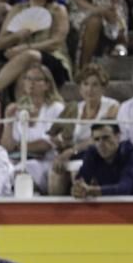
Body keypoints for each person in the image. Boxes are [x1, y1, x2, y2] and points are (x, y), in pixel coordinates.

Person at [0, 0, 71, 98]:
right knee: (24, 75)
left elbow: (56, 42)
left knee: (30, 55)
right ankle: (23, 113)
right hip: (19, 61)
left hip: (52, 59)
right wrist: (17, 35)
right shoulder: (17, 9)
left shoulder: (58, 10)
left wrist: (26, 48)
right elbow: (0, 43)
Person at [48, 63, 118, 195]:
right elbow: (53, 134)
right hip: (73, 154)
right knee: (55, 171)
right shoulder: (74, 108)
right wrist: (59, 143)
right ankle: (55, 213)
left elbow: (100, 138)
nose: (89, 89)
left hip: (100, 155)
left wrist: (70, 151)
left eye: (95, 84)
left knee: (78, 169)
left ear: (103, 88)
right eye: (85, 84)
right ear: (80, 88)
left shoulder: (112, 107)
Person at [0, 63, 64, 191]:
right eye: (28, 78)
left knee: (23, 170)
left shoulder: (55, 108)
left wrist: (17, 147)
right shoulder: (16, 109)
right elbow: (6, 146)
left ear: (47, 85)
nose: (31, 83)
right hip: (15, 160)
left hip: (45, 161)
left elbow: (45, 145)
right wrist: (8, 120)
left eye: (37, 79)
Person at [70, 123, 133, 198]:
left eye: (106, 138)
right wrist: (78, 189)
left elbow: (125, 188)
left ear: (118, 136)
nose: (101, 144)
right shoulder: (92, 153)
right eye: (97, 139)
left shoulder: (132, 153)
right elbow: (81, 179)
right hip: (108, 205)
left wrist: (91, 190)